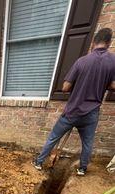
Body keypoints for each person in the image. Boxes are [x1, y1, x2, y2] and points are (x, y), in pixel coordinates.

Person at [34, 28, 115, 176]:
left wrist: (79, 83)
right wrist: (103, 83)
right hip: (91, 113)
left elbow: (65, 87)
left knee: (53, 137)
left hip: (73, 111)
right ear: (109, 43)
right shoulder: (113, 61)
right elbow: (113, 86)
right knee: (87, 143)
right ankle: (82, 169)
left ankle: (38, 162)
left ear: (93, 42)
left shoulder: (82, 61)